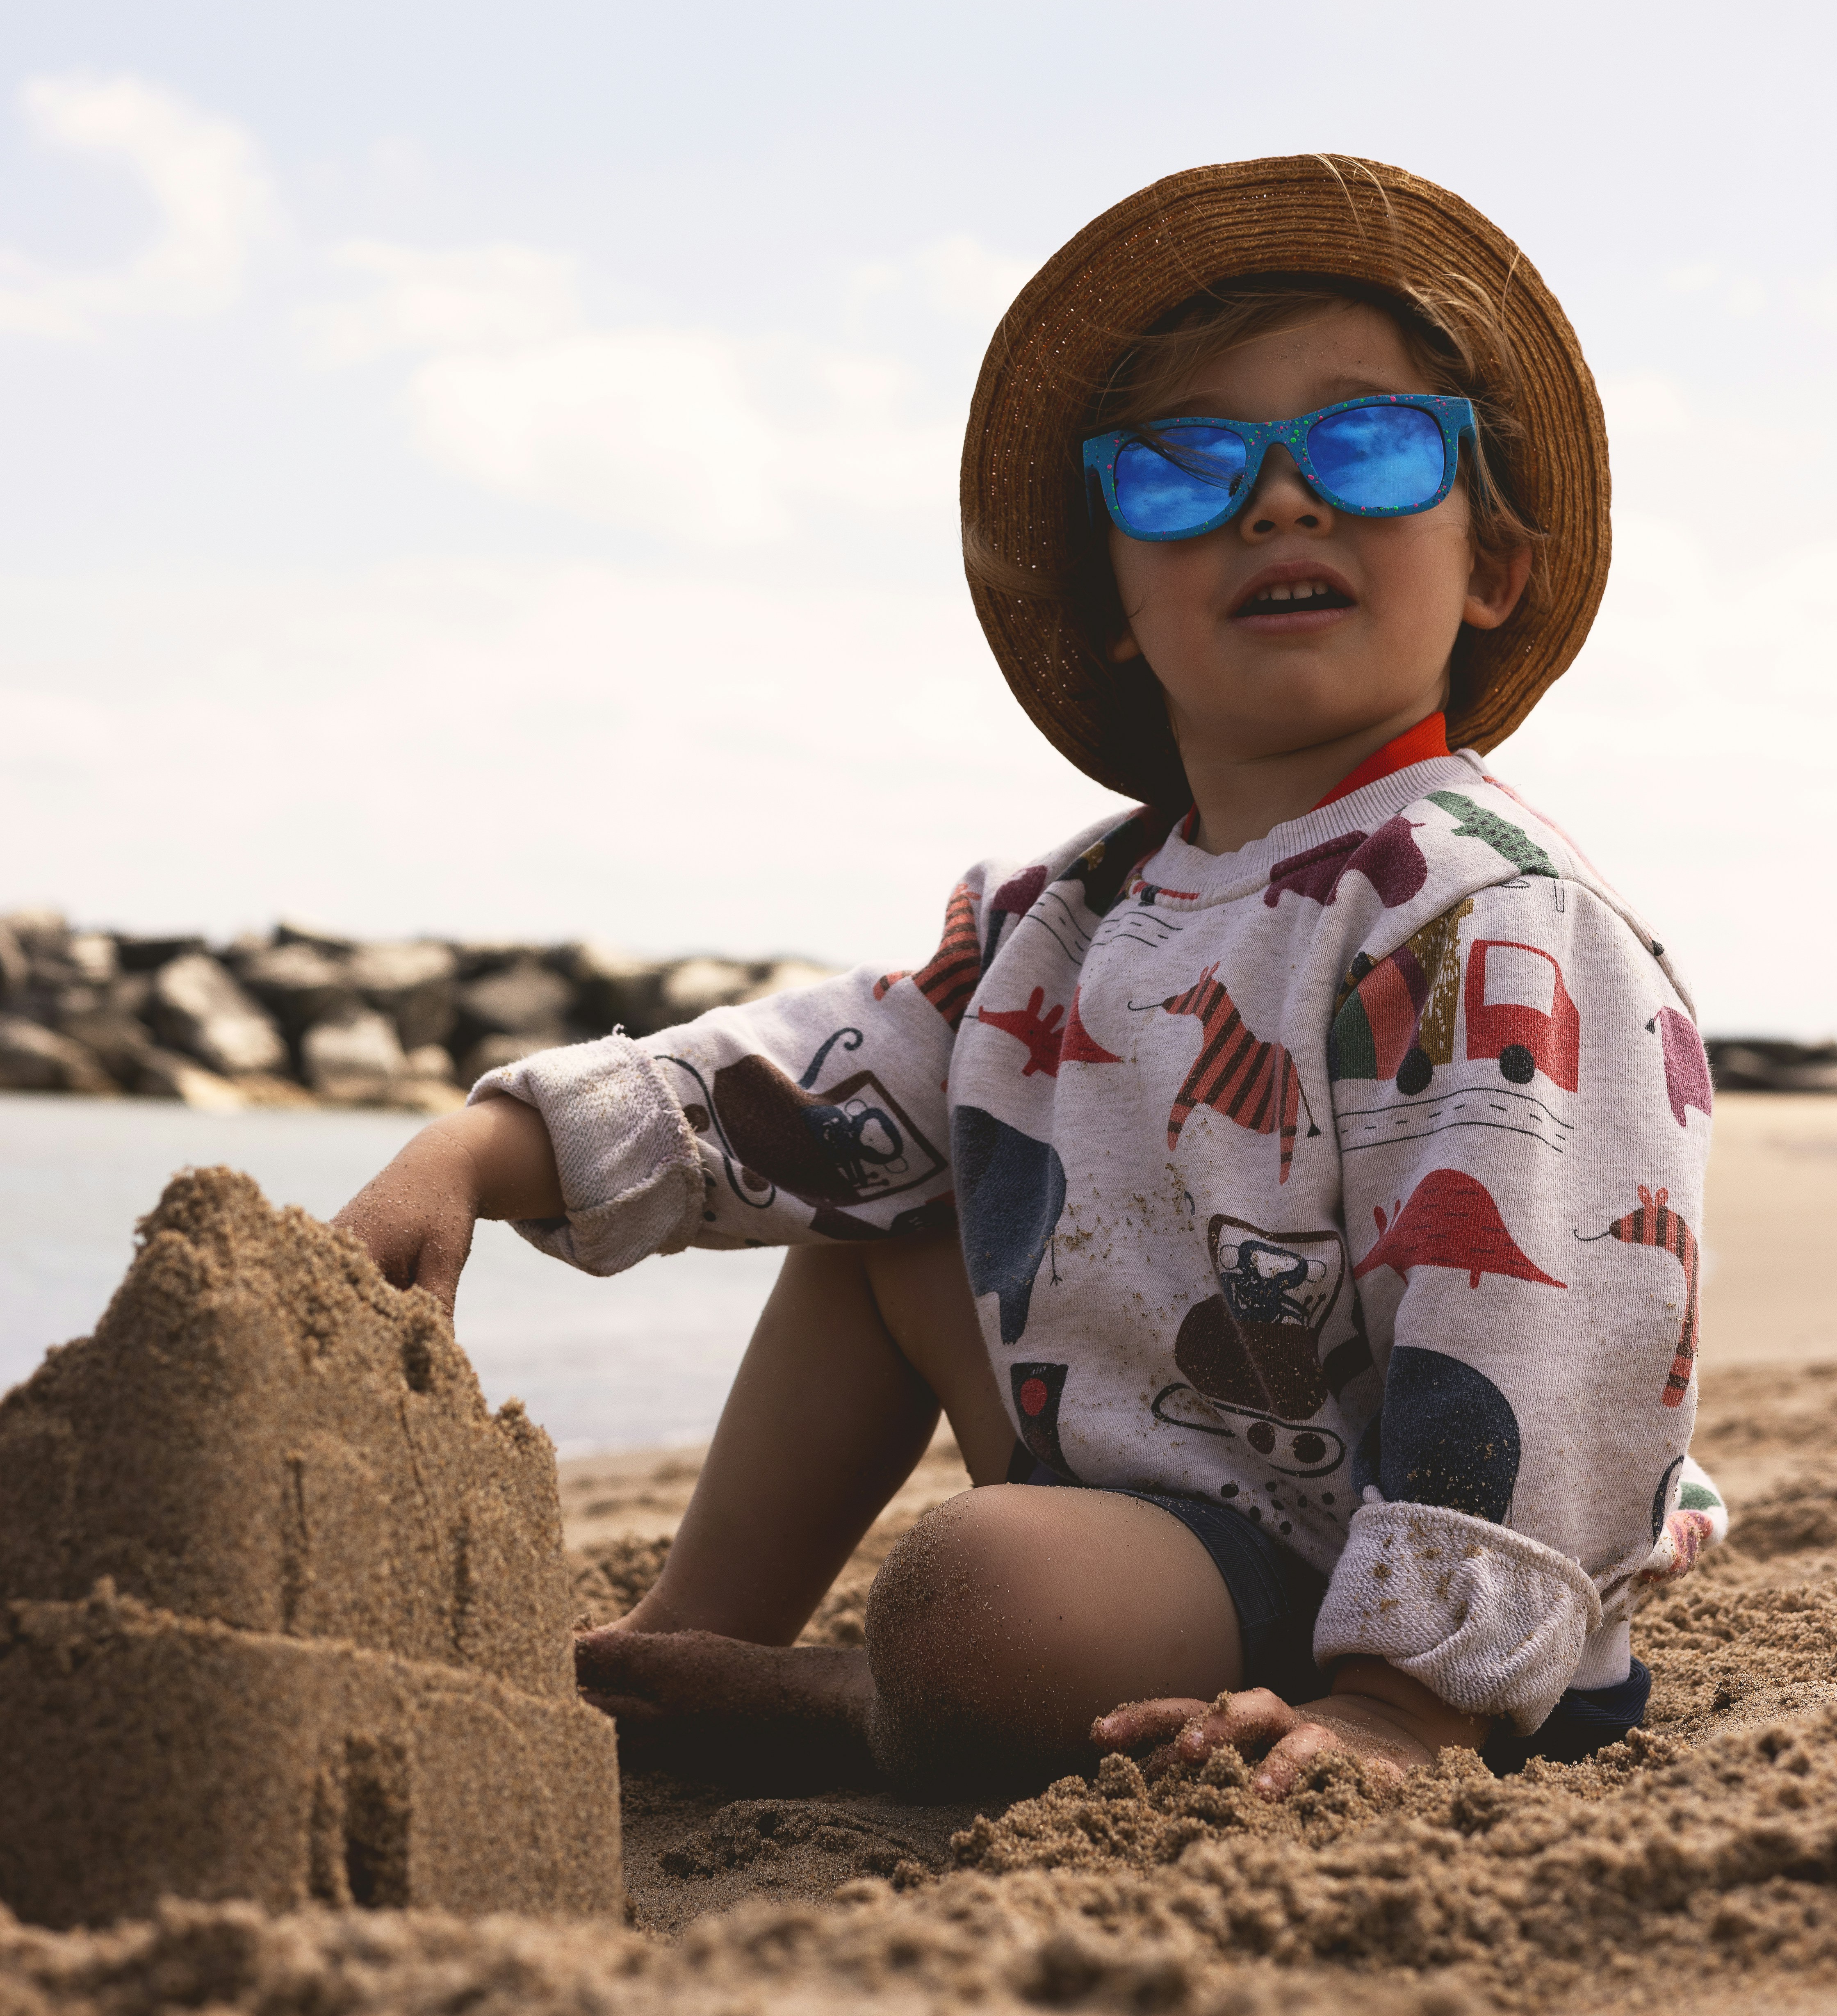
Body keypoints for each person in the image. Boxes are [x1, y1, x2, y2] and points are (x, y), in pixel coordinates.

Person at [335, 154, 1725, 1803]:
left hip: (1391, 1570)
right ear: (1119, 608)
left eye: (1367, 442)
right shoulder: (1059, 912)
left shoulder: (1485, 907)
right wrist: (480, 1155)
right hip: (1144, 1512)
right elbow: (810, 1079)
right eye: (1183, 471)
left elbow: (1557, 1326)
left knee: (970, 1598)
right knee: (872, 1192)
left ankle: (852, 1709)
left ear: (1487, 569)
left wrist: (1404, 1705)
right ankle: (685, 1642)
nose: (1278, 501)